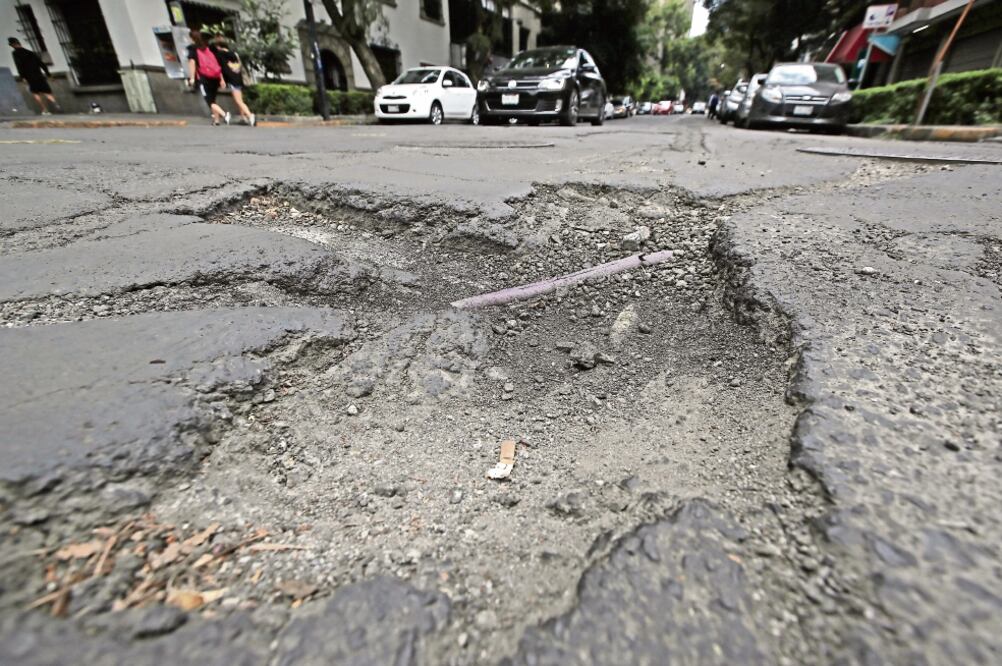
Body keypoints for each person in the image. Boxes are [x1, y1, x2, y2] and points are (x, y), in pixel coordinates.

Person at [186, 30, 229, 126]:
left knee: (209, 101)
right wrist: (221, 79)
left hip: (204, 78)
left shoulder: (192, 49)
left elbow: (192, 63)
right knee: (213, 99)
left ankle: (224, 114)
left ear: (191, 38)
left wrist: (192, 78)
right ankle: (216, 120)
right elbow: (216, 64)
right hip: (215, 77)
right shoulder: (209, 48)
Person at [212, 34, 255, 126]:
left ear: (218, 47)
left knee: (239, 101)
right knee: (240, 99)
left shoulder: (220, 55)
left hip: (231, 80)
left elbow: (219, 68)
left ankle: (250, 115)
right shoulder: (234, 54)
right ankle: (243, 118)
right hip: (238, 78)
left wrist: (221, 80)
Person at [8, 37, 58, 115]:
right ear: (19, 43)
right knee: (46, 91)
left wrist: (23, 77)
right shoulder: (30, 52)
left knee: (36, 93)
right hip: (39, 74)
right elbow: (41, 64)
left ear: (12, 45)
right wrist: (48, 74)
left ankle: (45, 110)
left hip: (29, 77)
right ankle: (54, 102)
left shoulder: (15, 53)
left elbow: (19, 65)